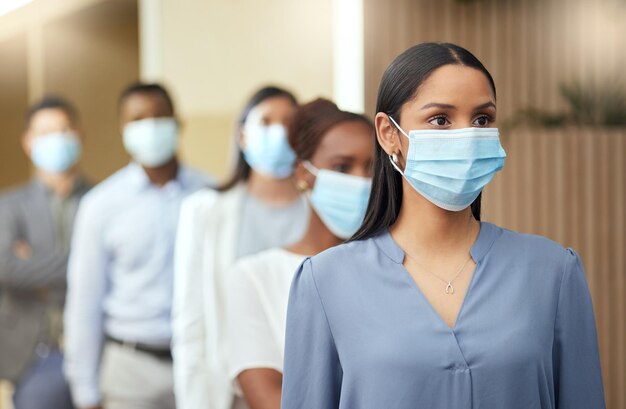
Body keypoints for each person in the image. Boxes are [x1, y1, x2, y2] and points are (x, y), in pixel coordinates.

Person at [281, 43, 606, 409]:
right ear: (389, 133)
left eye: (482, 119)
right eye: (440, 119)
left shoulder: (553, 271)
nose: (467, 136)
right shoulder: (325, 281)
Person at [64, 83, 210, 409]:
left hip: (198, 363)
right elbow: (85, 300)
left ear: (178, 123)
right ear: (123, 129)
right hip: (128, 368)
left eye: (160, 117)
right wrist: (84, 389)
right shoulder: (100, 204)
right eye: (138, 119)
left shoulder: (210, 194)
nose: (151, 127)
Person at [226, 98, 374, 409]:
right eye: (342, 167)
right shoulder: (255, 277)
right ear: (303, 173)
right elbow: (267, 397)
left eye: (373, 168)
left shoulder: (399, 269)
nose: (362, 181)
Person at [172, 86, 308, 409]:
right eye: (266, 122)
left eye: (288, 122)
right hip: (229, 394)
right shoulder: (205, 210)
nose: (278, 132)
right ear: (242, 136)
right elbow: (191, 321)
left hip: (304, 388)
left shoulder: (323, 210)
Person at [0, 96, 90, 409]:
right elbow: (7, 269)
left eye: (64, 129)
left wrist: (37, 266)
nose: (57, 140)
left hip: (95, 347)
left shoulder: (101, 201)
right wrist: (86, 266)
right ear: (28, 142)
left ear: (79, 134)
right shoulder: (10, 205)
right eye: (46, 133)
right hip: (35, 353)